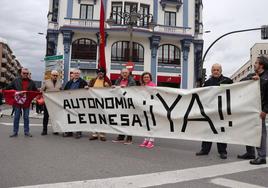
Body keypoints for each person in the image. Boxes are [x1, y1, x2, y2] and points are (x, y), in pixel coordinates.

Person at [196, 63, 233, 159]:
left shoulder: (228, 81)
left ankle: (222, 151)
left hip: (222, 111)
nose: (216, 71)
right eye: (214, 70)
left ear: (221, 71)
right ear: (211, 71)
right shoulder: (207, 83)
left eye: (217, 70)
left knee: (221, 131)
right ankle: (205, 150)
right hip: (210, 111)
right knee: (208, 131)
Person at [237, 56, 268, 165]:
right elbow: (241, 82)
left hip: (260, 111)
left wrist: (265, 111)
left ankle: (262, 156)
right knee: (248, 130)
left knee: (260, 133)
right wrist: (251, 79)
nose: (254, 64)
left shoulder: (266, 78)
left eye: (256, 63)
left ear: (261, 65)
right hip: (250, 109)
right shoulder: (252, 75)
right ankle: (250, 152)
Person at [6, 68, 38, 137]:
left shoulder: (32, 82)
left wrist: (41, 93)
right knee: (16, 117)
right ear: (21, 73)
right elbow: (8, 88)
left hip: (26, 103)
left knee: (26, 117)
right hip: (17, 102)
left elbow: (36, 90)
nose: (25, 74)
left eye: (27, 73)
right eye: (24, 73)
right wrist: (4, 90)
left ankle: (26, 132)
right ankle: (15, 132)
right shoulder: (15, 80)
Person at [112, 69, 136, 144]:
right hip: (120, 103)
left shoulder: (132, 81)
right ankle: (121, 137)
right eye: (123, 73)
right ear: (121, 73)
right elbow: (116, 89)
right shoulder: (118, 80)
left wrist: (125, 87)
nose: (124, 74)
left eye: (126, 73)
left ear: (128, 74)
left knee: (128, 121)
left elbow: (133, 90)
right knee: (121, 120)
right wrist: (113, 87)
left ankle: (129, 138)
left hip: (128, 103)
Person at [63, 69, 88, 139]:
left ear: (79, 74)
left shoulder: (83, 82)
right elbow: (64, 91)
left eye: (77, 73)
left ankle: (78, 132)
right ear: (72, 74)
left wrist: (87, 88)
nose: (76, 74)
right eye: (75, 73)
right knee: (70, 117)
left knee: (78, 117)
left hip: (79, 103)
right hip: (70, 103)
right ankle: (69, 131)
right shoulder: (69, 82)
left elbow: (87, 92)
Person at [88, 68, 112, 141]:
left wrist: (109, 87)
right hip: (94, 102)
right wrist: (87, 87)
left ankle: (102, 134)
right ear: (97, 73)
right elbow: (89, 88)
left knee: (103, 119)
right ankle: (94, 134)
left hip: (103, 103)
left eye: (102, 72)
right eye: (99, 72)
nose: (100, 74)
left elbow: (111, 91)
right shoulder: (93, 80)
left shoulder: (107, 81)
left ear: (104, 74)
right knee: (94, 118)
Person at [40, 70, 62, 135]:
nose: (55, 76)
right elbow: (41, 90)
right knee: (46, 116)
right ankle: (44, 130)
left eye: (56, 75)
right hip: (47, 102)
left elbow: (61, 92)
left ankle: (55, 130)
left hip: (56, 103)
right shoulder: (46, 82)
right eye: (54, 75)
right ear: (51, 75)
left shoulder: (60, 83)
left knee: (55, 117)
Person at [139, 72, 156, 149]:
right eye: (144, 77)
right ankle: (146, 139)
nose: (146, 78)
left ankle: (151, 140)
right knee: (145, 123)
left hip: (151, 106)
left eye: (147, 77)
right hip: (144, 106)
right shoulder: (142, 86)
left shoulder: (153, 85)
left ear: (150, 78)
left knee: (151, 123)